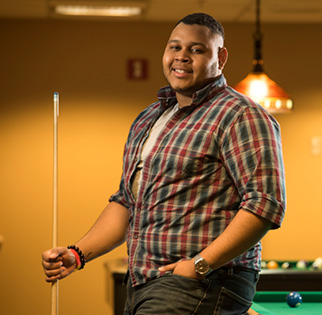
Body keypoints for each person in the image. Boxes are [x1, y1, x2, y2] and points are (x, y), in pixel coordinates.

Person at [41, 13, 286, 315]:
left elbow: (265, 204)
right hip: (143, 282)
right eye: (175, 47)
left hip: (202, 283)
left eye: (196, 49)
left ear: (220, 57)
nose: (181, 57)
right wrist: (77, 254)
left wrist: (199, 266)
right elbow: (127, 204)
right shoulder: (148, 118)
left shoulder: (241, 115)